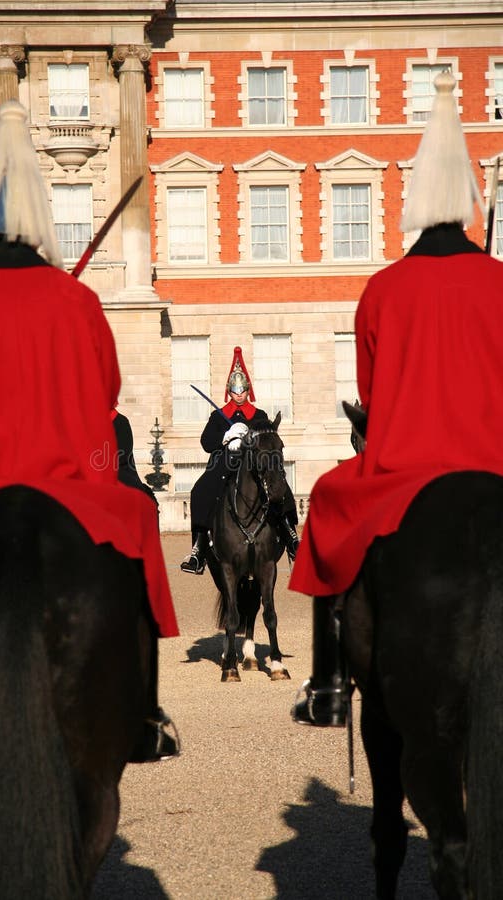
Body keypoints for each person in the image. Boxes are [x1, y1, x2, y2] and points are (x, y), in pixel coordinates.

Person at [0, 100, 179, 762]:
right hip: (65, 482)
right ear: (40, 222)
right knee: (137, 521)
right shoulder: (75, 300)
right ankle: (143, 709)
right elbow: (103, 394)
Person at [289, 69, 503, 727]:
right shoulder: (497, 280)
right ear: (470, 199)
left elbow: (371, 398)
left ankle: (328, 685)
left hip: (403, 475)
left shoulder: (382, 289)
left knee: (327, 507)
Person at [181, 346, 299, 575]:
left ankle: (290, 533)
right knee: (200, 490)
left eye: (242, 391)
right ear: (229, 391)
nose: (239, 395)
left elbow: (268, 440)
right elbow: (206, 442)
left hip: (253, 463)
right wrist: (225, 437)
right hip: (224, 462)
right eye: (235, 391)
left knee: (279, 485)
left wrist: (248, 439)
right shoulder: (218, 416)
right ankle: (199, 548)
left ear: (247, 391)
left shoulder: (259, 416)